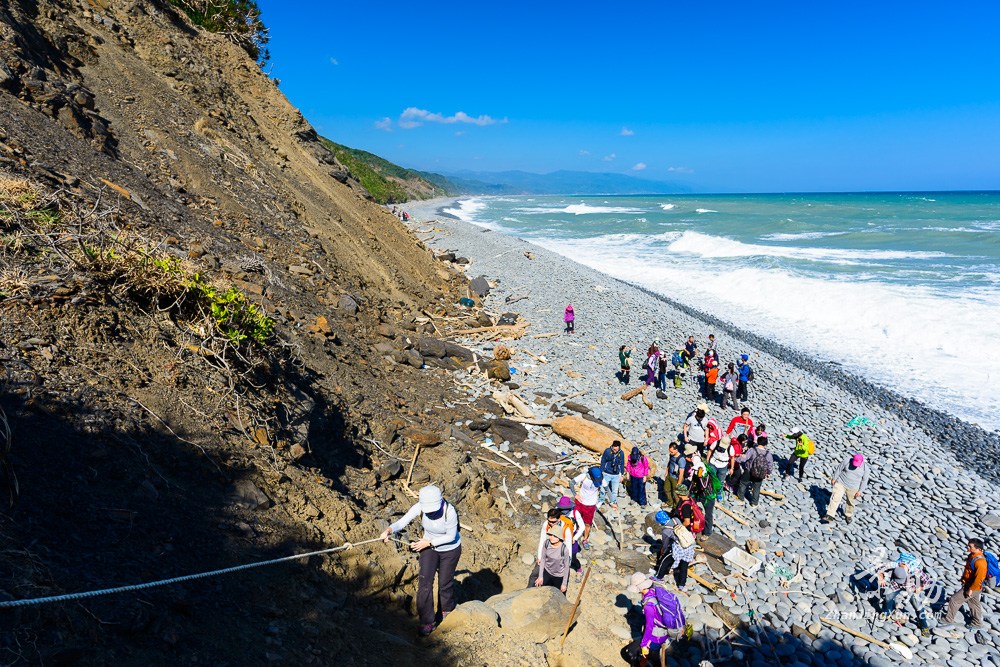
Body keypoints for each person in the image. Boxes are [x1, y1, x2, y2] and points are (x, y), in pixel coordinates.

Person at [380, 485, 461, 636]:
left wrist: (429, 542)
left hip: (450, 550)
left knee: (445, 583)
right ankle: (427, 621)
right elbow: (403, 521)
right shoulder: (420, 507)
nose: (430, 512)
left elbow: (451, 536)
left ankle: (446, 609)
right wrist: (389, 530)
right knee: (424, 582)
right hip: (428, 547)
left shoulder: (449, 511)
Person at [623, 572, 686, 666]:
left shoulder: (649, 605)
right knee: (653, 654)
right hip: (663, 633)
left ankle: (643, 664)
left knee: (629, 653)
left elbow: (649, 626)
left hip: (655, 636)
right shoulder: (654, 591)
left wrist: (644, 644)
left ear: (640, 588)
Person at [878, 552, 932, 635]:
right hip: (896, 585)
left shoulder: (915, 570)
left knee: (918, 606)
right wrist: (881, 578)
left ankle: (924, 626)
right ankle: (886, 613)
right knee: (888, 596)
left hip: (912, 587)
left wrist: (920, 587)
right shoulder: (894, 564)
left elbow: (928, 581)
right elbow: (880, 569)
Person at [940, 538, 989, 629]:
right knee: (974, 603)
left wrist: (971, 589)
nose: (968, 547)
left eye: (970, 546)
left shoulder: (981, 562)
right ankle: (977, 623)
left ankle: (948, 619)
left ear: (978, 549)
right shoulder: (972, 556)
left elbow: (979, 578)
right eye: (968, 545)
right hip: (973, 586)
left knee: (954, 600)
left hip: (973, 586)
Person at [655, 488, 698, 588]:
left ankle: (659, 577)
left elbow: (665, 544)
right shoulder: (676, 519)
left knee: (666, 560)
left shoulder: (665, 531)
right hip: (689, 545)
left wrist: (663, 550)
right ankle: (681, 584)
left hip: (679, 547)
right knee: (684, 565)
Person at [529, 508, 572, 593]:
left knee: (561, 587)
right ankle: (529, 591)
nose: (551, 524)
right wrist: (540, 557)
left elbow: (568, 548)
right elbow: (542, 540)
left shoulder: (566, 530)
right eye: (549, 521)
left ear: (558, 519)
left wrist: (566, 565)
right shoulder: (546, 525)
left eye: (553, 522)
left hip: (560, 558)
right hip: (547, 554)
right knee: (534, 575)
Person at [822, 453, 870, 524]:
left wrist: (860, 491)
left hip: (853, 487)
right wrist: (834, 478)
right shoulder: (846, 461)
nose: (855, 465)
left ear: (862, 462)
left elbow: (864, 481)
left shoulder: (866, 469)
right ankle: (830, 515)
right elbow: (839, 469)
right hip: (841, 483)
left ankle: (848, 515)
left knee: (850, 502)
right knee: (835, 498)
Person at [734, 436, 774, 505]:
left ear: (758, 442)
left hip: (749, 471)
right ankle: (754, 503)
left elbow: (744, 458)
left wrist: (736, 459)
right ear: (765, 444)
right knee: (756, 488)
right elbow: (770, 465)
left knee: (743, 484)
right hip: (760, 473)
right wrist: (768, 473)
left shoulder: (752, 450)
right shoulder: (768, 454)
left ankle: (741, 498)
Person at [572, 467, 602, 548]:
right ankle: (577, 530)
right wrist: (575, 495)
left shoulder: (601, 479)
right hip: (580, 502)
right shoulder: (584, 476)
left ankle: (585, 539)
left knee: (588, 524)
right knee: (576, 518)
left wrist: (613, 502)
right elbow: (571, 483)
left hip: (591, 505)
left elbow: (607, 489)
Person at [555, 496, 585, 576]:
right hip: (560, 534)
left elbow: (582, 527)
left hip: (572, 536)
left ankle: (578, 568)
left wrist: (575, 538)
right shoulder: (557, 510)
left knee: (573, 556)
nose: (564, 510)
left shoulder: (575, 513)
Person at [599, 440, 626, 508]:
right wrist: (601, 471)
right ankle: (601, 500)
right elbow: (603, 461)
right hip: (606, 473)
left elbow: (622, 464)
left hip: (616, 475)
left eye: (617, 450)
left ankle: (613, 501)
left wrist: (622, 474)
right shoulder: (607, 451)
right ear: (612, 446)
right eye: (614, 449)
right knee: (603, 488)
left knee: (614, 491)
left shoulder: (621, 453)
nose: (615, 451)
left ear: (619, 448)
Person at [662, 442, 687, 508]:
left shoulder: (681, 459)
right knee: (666, 489)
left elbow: (681, 473)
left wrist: (679, 483)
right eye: (669, 451)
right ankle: (669, 502)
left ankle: (676, 507)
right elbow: (669, 463)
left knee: (675, 493)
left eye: (672, 452)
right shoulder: (671, 455)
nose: (670, 453)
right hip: (669, 475)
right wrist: (666, 472)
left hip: (676, 478)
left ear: (676, 450)